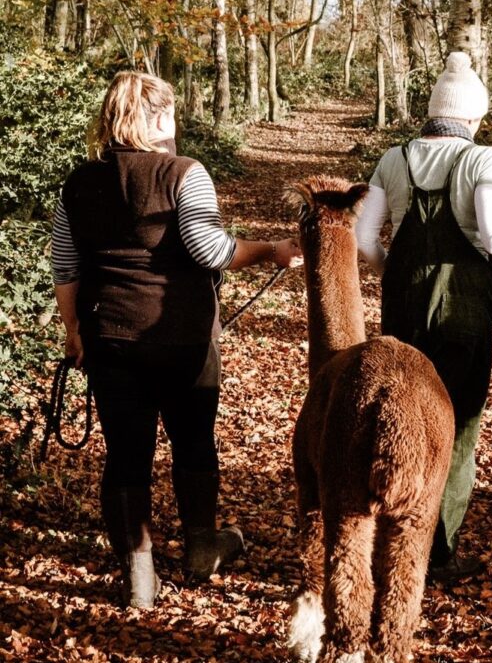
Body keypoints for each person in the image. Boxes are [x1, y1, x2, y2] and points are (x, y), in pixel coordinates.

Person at [51, 71, 304, 608]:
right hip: (183, 337)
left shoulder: (78, 183)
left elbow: (66, 267)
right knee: (192, 440)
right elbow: (211, 251)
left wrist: (74, 331)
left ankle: (138, 574)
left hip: (109, 335)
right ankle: (200, 547)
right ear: (160, 117)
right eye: (171, 115)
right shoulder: (184, 173)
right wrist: (271, 250)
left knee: (126, 451)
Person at [356, 51, 492, 583]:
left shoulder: (392, 158)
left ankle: (389, 542)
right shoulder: (481, 160)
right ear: (472, 117)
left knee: (400, 422)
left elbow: (364, 240)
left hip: (402, 306)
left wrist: (395, 270)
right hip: (463, 309)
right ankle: (438, 553)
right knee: (455, 427)